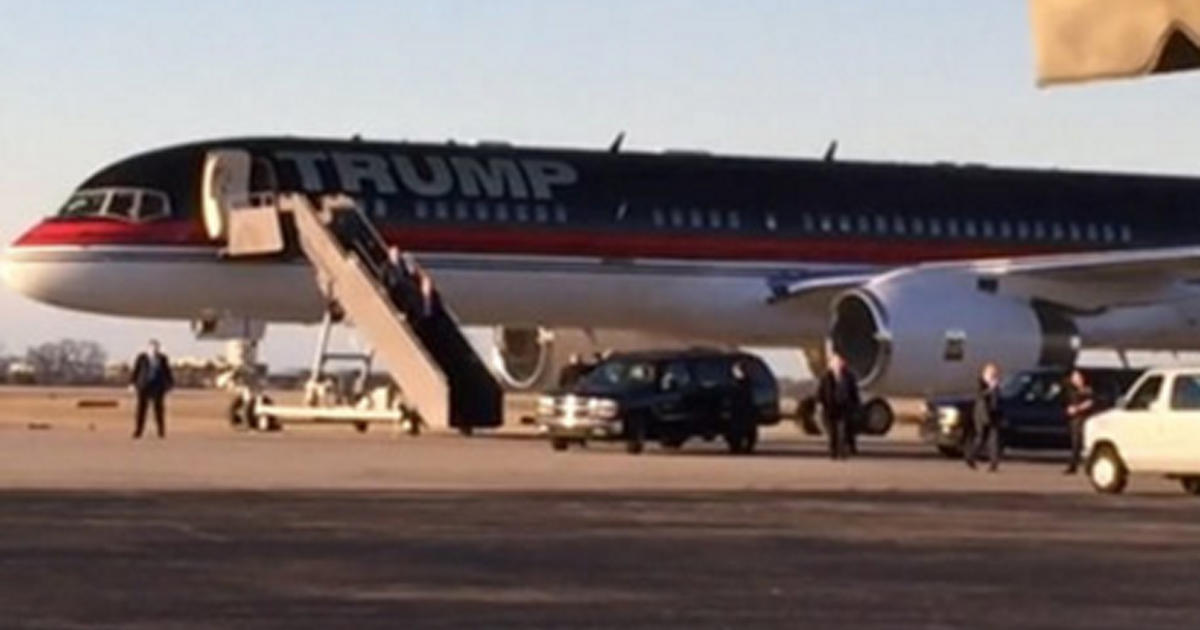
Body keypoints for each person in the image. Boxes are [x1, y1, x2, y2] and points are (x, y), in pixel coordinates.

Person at [816, 351, 861, 460]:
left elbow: (854, 392)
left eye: (841, 362)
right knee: (833, 431)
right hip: (831, 406)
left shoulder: (849, 376)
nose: (839, 364)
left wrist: (857, 405)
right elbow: (820, 392)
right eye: (837, 362)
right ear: (832, 364)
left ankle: (843, 451)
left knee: (844, 430)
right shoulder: (826, 376)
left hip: (845, 406)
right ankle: (833, 451)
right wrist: (820, 403)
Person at [130, 339, 174, 439]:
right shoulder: (142, 358)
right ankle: (138, 431)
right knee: (141, 410)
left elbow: (167, 371)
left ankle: (161, 431)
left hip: (158, 386)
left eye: (156, 347)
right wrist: (132, 383)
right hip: (143, 386)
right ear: (148, 348)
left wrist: (170, 383)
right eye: (152, 347)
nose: (154, 350)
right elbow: (136, 370)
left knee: (159, 410)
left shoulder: (162, 358)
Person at [965, 362, 1004, 471]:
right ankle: (970, 457)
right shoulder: (981, 384)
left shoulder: (996, 386)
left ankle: (994, 464)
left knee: (994, 440)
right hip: (983, 416)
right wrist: (991, 389)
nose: (994, 376)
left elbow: (998, 400)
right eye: (991, 374)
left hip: (994, 415)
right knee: (980, 438)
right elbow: (980, 397)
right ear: (985, 374)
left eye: (995, 374)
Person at [1063, 369, 1095, 474]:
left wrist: (1077, 408)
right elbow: (1066, 402)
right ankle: (1073, 465)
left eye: (1078, 377)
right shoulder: (1070, 390)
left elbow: (1090, 402)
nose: (1077, 380)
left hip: (1085, 419)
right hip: (1075, 420)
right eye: (1075, 377)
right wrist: (1068, 409)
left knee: (1086, 443)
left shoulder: (1087, 390)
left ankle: (1089, 466)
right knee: (1075, 443)